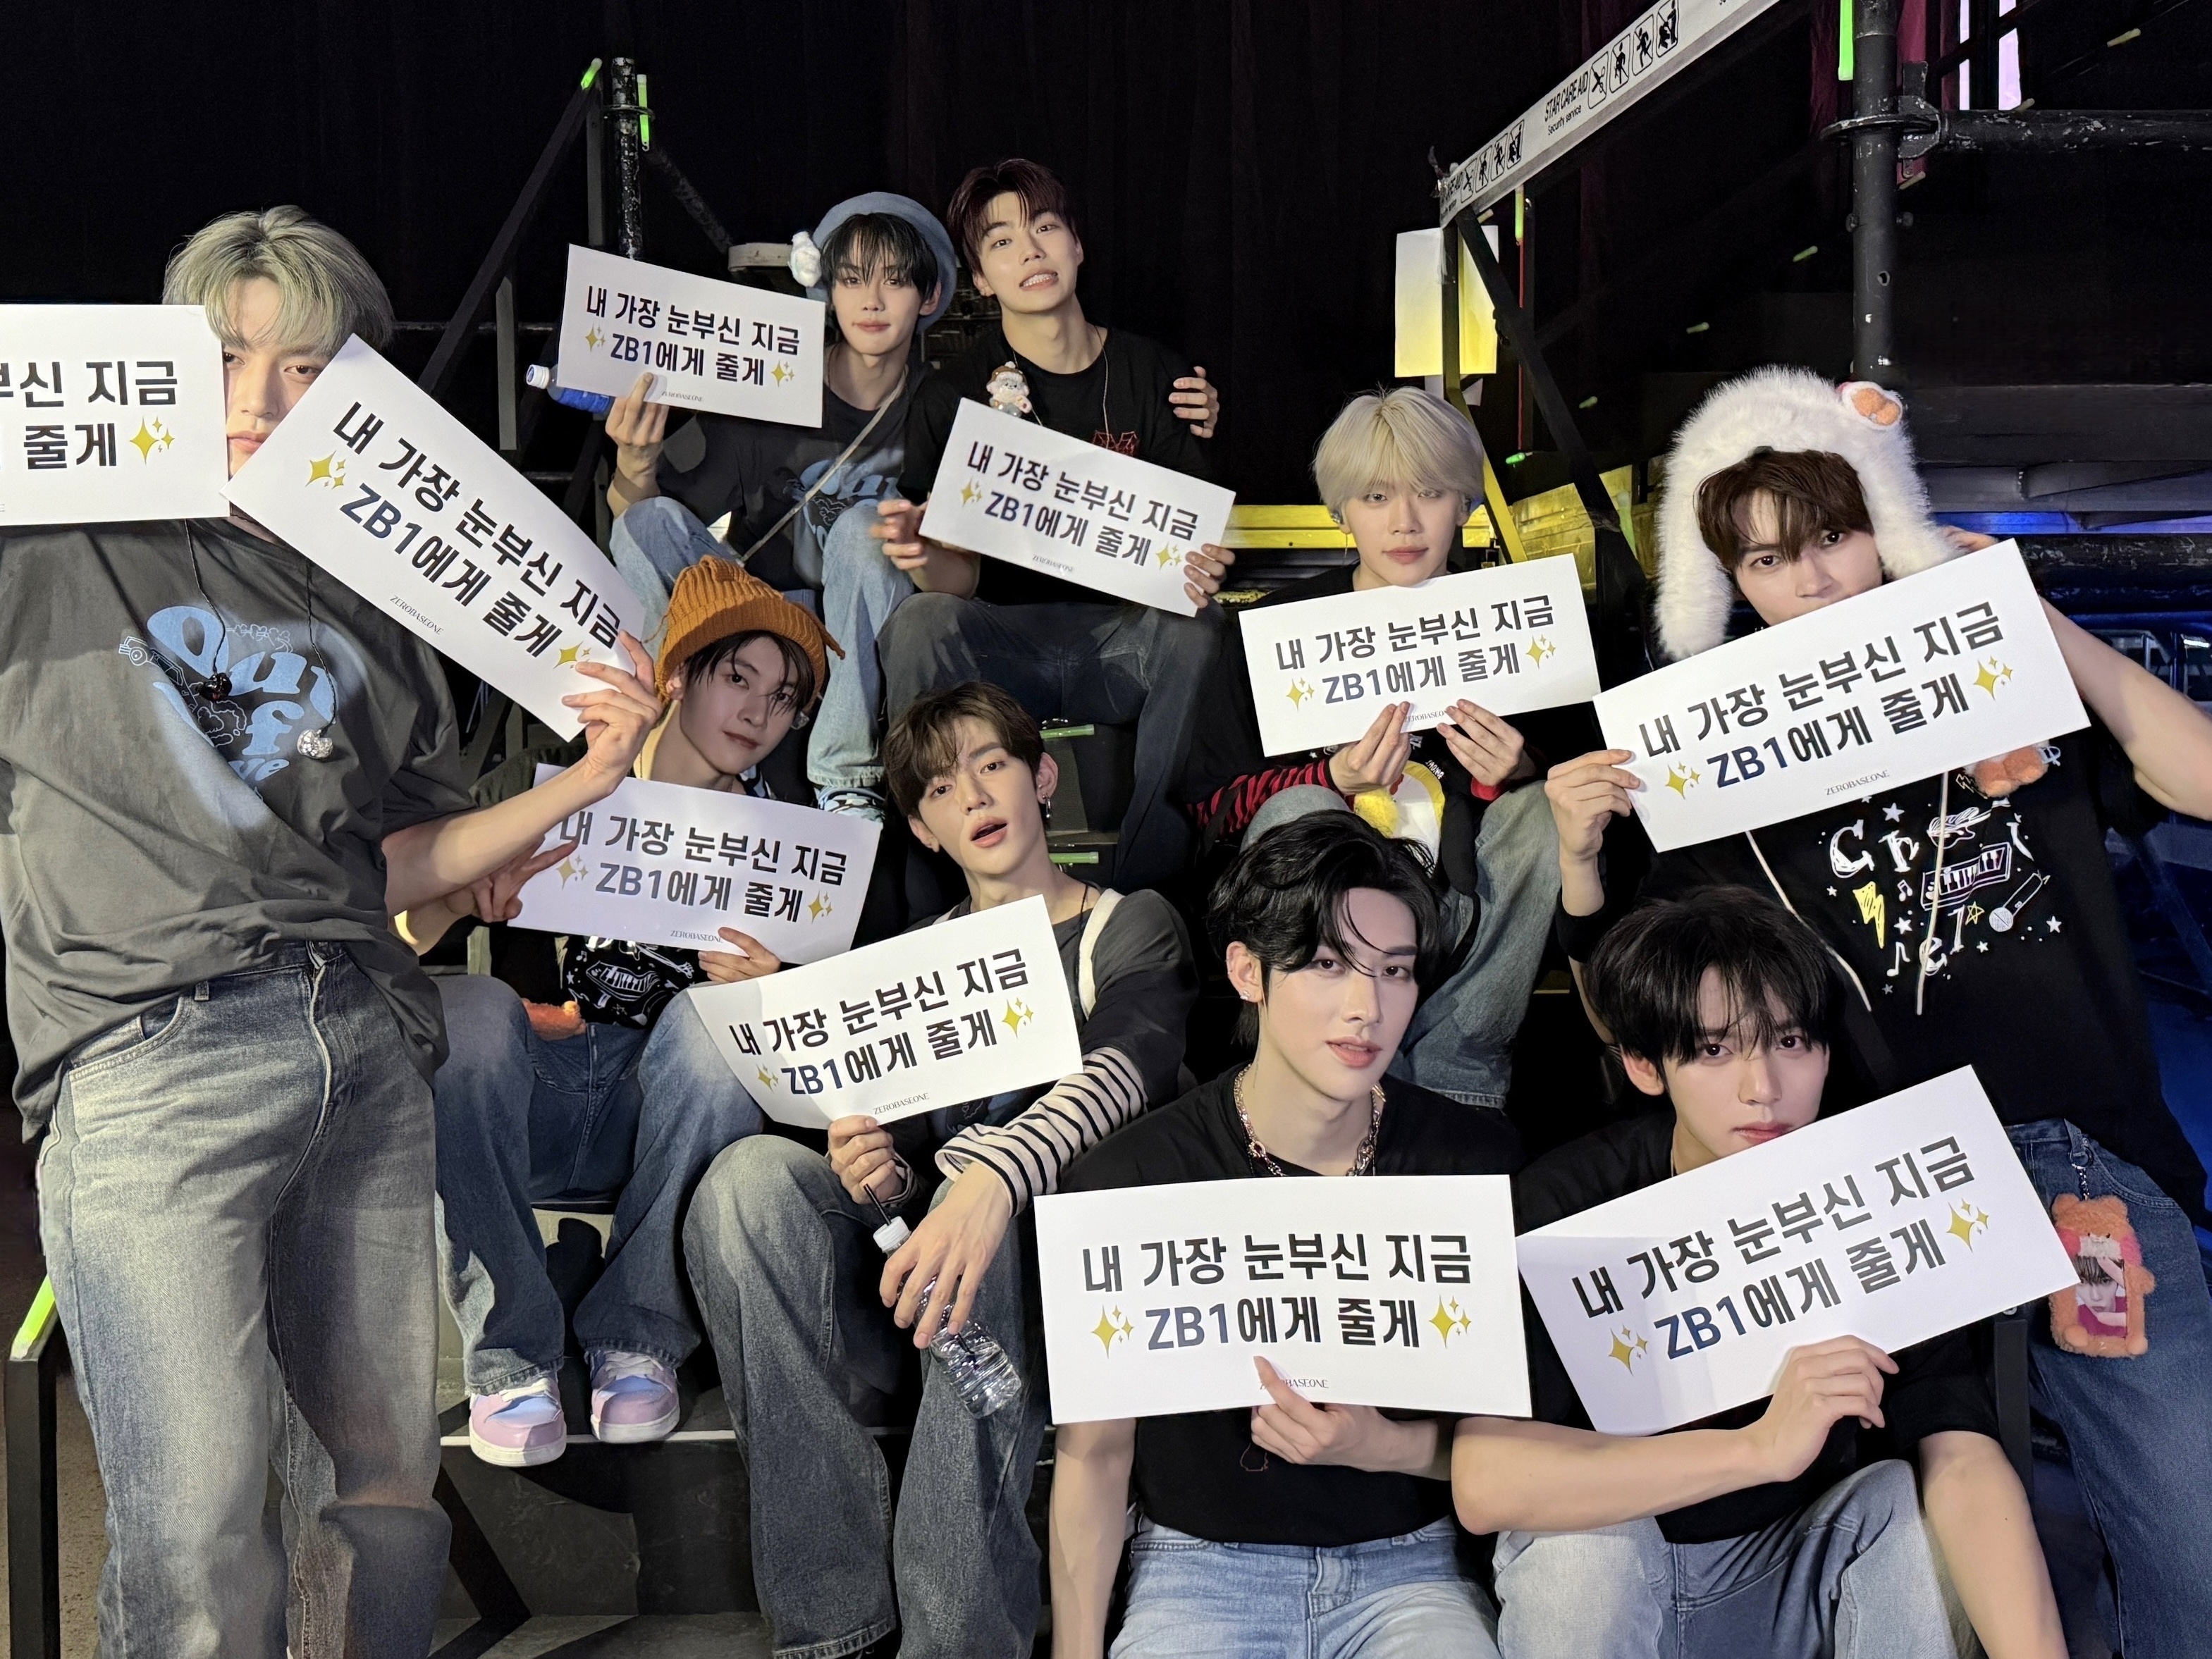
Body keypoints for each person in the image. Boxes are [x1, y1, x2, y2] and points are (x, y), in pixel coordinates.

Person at [1, 207, 664, 1657]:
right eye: (226, 357)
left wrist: (585, 780)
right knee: (192, 1529)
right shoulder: (50, 534)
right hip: (148, 1050)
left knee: (381, 1501)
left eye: (305, 367)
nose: (258, 400)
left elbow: (399, 859)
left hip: (362, 1036)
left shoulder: (384, 588)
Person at [1544, 366, 2212, 1658]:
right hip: (1867, 1179)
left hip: (2074, 1153)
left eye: (1833, 536)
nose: (1809, 579)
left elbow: (2193, 777)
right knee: (1935, 1516)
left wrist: (2029, 618)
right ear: (1728, 584)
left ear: (1882, 529)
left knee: (2186, 1526)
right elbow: (1640, 997)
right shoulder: (1717, 752)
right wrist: (1580, 856)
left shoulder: (1989, 679)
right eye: (1763, 559)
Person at [682, 681, 1198, 1659]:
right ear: (922, 828)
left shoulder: (1126, 923)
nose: (973, 796)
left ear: (1042, 779)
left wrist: (990, 1180)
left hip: (1065, 1292)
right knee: (747, 1182)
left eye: (992, 764)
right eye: (940, 787)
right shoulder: (910, 963)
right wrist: (883, 1178)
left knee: (978, 1214)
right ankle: (833, 1623)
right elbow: (909, 1182)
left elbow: (1128, 1069)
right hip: (926, 1287)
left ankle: (954, 1642)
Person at [1458, 885, 2063, 1658]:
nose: (1764, 1088)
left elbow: (1962, 1454)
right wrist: (1760, 1448)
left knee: (1902, 1502)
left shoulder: (1876, 1194)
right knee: (1583, 1549)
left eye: (1792, 1041)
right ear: (1645, 1064)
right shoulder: (1567, 1203)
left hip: (1784, 1572)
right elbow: (1485, 1484)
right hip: (1614, 1574)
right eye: (1715, 1051)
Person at [1052, 813, 1523, 1658]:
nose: (1365, 1007)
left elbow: (1521, 1445)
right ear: (1248, 971)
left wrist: (1385, 1445)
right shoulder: (1133, 1178)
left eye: (1395, 970)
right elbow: (1094, 1457)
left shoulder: (1473, 1165)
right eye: (1327, 963)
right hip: (1199, 1572)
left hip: (1412, 1571)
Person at [404, 557, 840, 1464]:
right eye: (738, 677)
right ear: (678, 677)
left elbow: (819, 1057)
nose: (759, 713)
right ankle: (511, 1356)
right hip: (532, 1092)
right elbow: (402, 935)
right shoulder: (553, 782)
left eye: (785, 699)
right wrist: (458, 900)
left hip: (668, 1113)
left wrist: (773, 989)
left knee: (717, 1023)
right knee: (471, 1010)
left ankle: (638, 1337)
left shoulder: (793, 847)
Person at [608, 192, 1219, 825]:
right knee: (643, 522)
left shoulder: (948, 401)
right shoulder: (770, 386)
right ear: (827, 290)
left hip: (869, 631)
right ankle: (659, 724)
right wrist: (634, 465)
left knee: (864, 528)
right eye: (852, 280)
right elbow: (639, 518)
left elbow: (1042, 490)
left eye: (895, 281)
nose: (872, 301)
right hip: (765, 622)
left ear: (929, 297)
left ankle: (847, 781)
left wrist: (1184, 406)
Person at [1185, 386, 1575, 1111]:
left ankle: (1458, 1072)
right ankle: (1313, 1061)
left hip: (1465, 918)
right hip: (1326, 920)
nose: (1404, 521)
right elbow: (1211, 809)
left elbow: (1596, 799)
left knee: (1551, 810)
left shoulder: (1519, 626)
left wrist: (1522, 771)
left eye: (1430, 493)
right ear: (1341, 511)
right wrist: (1330, 777)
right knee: (1299, 807)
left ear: (1464, 504)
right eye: (1375, 497)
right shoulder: (1273, 634)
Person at [873, 158, 1237, 888]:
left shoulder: (1155, 376)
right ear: (981, 277)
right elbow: (957, 580)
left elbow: (1189, 542)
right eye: (1002, 241)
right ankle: (933, 888)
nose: (1031, 252)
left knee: (1203, 621)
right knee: (919, 621)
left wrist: (1205, 565)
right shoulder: (951, 397)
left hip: (1122, 638)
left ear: (1076, 243)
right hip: (1005, 644)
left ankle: (1148, 888)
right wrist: (920, 553)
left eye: (1044, 227)